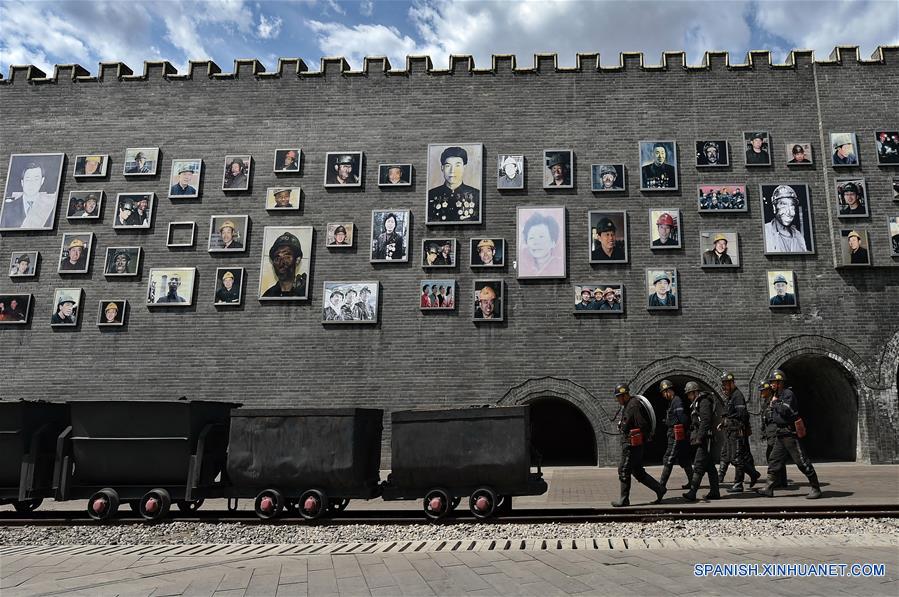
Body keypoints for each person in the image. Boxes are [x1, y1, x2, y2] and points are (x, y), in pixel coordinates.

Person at [757, 370, 822, 499]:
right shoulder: (776, 395)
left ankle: (816, 488)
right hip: (780, 434)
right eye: (771, 382)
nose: (771, 385)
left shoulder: (788, 394)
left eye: (773, 382)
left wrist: (775, 403)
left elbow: (787, 410)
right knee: (774, 460)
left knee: (801, 462)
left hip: (790, 434)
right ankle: (768, 487)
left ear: (780, 382)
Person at [611, 384, 665, 507]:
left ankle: (624, 499)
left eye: (619, 397)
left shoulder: (633, 405)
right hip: (634, 444)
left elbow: (641, 424)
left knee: (624, 470)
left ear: (625, 395)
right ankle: (660, 489)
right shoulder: (630, 404)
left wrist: (627, 429)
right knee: (638, 472)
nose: (618, 400)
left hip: (631, 445)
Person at [719, 372, 761, 493]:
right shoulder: (731, 396)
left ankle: (739, 483)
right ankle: (752, 474)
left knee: (736, 458)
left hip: (737, 431)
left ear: (732, 383)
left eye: (726, 383)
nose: (725, 386)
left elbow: (742, 414)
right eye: (724, 384)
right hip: (731, 431)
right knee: (734, 457)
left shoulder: (737, 396)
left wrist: (738, 425)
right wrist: (724, 423)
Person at [682, 381, 720, 501]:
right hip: (703, 438)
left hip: (705, 439)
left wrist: (699, 436)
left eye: (689, 394)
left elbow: (705, 421)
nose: (688, 397)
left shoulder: (703, 402)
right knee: (710, 467)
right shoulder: (697, 403)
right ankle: (715, 492)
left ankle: (692, 492)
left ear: (694, 392)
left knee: (698, 465)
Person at [657, 379, 694, 493]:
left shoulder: (676, 401)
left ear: (669, 391)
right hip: (677, 435)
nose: (663, 395)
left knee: (669, 459)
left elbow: (682, 419)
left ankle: (661, 485)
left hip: (676, 436)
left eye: (664, 392)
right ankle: (692, 483)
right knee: (685, 459)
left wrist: (676, 427)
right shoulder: (672, 402)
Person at [427, 146, 480, 222]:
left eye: (457, 165)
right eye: (448, 166)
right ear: (442, 168)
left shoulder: (476, 195)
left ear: (464, 167)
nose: (452, 171)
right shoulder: (431, 195)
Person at [0, 161, 57, 229]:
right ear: (22, 182)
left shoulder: (51, 206)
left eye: (36, 179)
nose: (31, 184)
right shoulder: (7, 209)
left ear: (42, 181)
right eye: (28, 179)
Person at [758, 380, 790, 489]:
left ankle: (779, 481)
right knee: (775, 457)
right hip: (769, 433)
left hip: (775, 433)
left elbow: (777, 417)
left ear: (768, 391)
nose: (761, 392)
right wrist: (763, 432)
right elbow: (764, 419)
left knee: (775, 457)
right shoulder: (766, 403)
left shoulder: (774, 400)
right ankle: (780, 481)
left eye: (763, 390)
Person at [262, 232, 307, 298]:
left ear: (297, 260)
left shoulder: (305, 291)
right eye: (277, 258)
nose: (281, 262)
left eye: (286, 256)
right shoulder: (268, 295)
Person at [764, 185, 808, 253]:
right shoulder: (765, 232)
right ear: (774, 207)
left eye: (792, 206)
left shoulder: (799, 236)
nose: (789, 212)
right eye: (783, 205)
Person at [520, 211, 562, 276]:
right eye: (531, 238)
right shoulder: (524, 267)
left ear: (553, 242)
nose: (536, 243)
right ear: (526, 243)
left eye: (541, 237)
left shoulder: (560, 265)